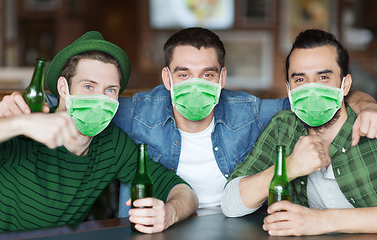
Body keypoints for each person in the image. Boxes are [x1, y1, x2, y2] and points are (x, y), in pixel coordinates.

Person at [1, 28, 377, 216]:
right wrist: (14, 110)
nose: (196, 84)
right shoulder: (127, 110)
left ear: (223, 78)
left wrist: (365, 101)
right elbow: (65, 101)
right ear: (166, 79)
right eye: (183, 74)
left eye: (207, 75)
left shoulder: (252, 111)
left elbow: (312, 100)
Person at [0, 31, 198, 233]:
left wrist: (169, 213)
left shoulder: (111, 143)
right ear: (63, 88)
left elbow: (184, 192)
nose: (99, 99)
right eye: (88, 86)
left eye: (110, 90)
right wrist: (18, 124)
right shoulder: (24, 132)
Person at [221, 29, 377, 236]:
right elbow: (231, 203)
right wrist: (289, 167)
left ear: (345, 84)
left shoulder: (371, 126)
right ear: (289, 89)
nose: (311, 89)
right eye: (300, 80)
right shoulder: (283, 127)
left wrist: (322, 221)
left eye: (323, 77)